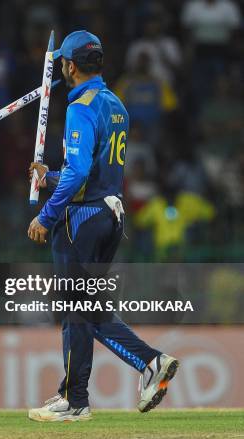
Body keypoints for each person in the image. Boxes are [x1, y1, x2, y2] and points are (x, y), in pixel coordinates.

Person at [27, 31, 178, 422]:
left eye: (63, 61)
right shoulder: (115, 104)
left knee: (76, 312)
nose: (60, 66)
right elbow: (92, 171)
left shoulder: (81, 106)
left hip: (82, 218)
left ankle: (75, 400)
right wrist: (47, 177)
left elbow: (78, 175)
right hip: (110, 214)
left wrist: (45, 215)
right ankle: (147, 363)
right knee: (87, 310)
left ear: (70, 66)